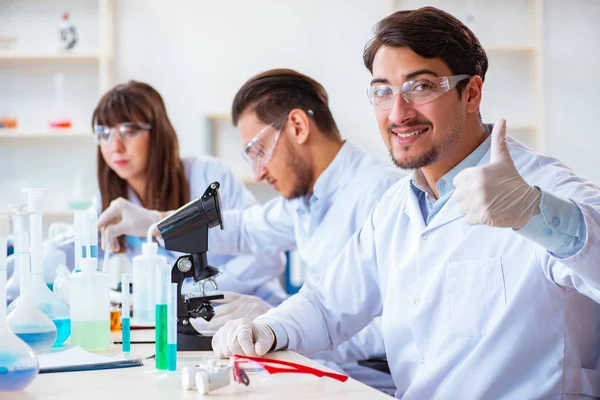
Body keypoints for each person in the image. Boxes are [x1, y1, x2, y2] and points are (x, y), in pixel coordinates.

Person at [211, 7, 600, 399]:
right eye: (383, 91)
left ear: (472, 93)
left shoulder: (539, 188)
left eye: (422, 87)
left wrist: (537, 214)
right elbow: (329, 304)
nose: (398, 113)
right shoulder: (397, 206)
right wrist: (269, 328)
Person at [99, 70, 402, 394]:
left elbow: (389, 330)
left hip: (366, 382)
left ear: (298, 127)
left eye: (258, 151)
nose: (257, 173)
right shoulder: (308, 198)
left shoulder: (378, 194)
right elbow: (244, 229)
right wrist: (155, 222)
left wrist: (280, 323)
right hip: (319, 365)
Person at [92, 80, 287, 306]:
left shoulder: (209, 176)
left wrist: (193, 292)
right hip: (177, 321)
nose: (115, 146)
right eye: (104, 133)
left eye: (129, 130)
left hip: (250, 311)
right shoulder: (111, 200)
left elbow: (267, 256)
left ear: (158, 133)